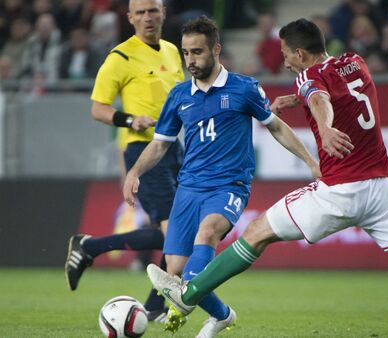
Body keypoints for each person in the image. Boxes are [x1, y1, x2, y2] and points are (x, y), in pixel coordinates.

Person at [147, 18, 388, 338]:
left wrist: (324, 124)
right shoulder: (355, 62)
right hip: (385, 189)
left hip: (340, 189)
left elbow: (320, 98)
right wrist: (294, 100)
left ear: (299, 53)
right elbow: (329, 91)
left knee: (257, 233)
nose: (285, 62)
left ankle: (189, 293)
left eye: (287, 55)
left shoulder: (308, 78)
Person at [123, 16, 319, 337]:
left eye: (197, 52)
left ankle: (184, 300)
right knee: (175, 269)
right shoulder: (179, 95)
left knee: (208, 232)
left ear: (216, 49)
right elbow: (160, 145)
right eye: (186, 53)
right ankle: (222, 315)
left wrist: (311, 161)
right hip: (188, 188)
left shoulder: (244, 88)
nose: (191, 61)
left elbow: (276, 127)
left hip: (229, 185)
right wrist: (134, 172)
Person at [65, 0, 183, 323]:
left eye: (153, 10)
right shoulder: (119, 58)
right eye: (140, 12)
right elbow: (97, 108)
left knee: (179, 234)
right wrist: (130, 120)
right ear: (129, 18)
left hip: (175, 151)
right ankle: (156, 304)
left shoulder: (173, 52)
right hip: (144, 152)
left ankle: (90, 248)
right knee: (178, 234)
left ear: (163, 13)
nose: (147, 17)